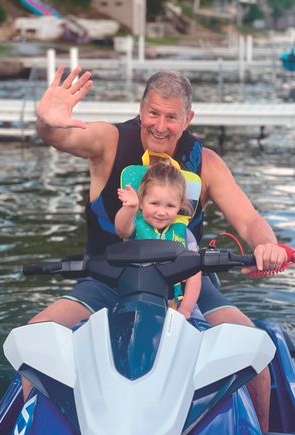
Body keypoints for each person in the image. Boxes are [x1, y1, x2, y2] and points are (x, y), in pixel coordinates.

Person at [31, 65, 287, 431]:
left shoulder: (207, 162)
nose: (160, 125)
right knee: (37, 335)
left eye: (171, 117)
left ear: (188, 119)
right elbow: (62, 138)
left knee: (256, 352)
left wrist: (267, 245)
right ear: (141, 109)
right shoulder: (109, 141)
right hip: (107, 280)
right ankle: (20, 421)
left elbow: (248, 221)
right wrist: (47, 123)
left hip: (189, 283)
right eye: (152, 113)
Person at [115, 161, 201, 319]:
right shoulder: (134, 226)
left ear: (180, 205)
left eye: (170, 206)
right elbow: (121, 229)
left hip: (177, 304)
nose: (161, 212)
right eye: (154, 204)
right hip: (137, 300)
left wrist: (186, 309)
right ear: (141, 201)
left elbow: (194, 274)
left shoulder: (185, 235)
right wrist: (130, 208)